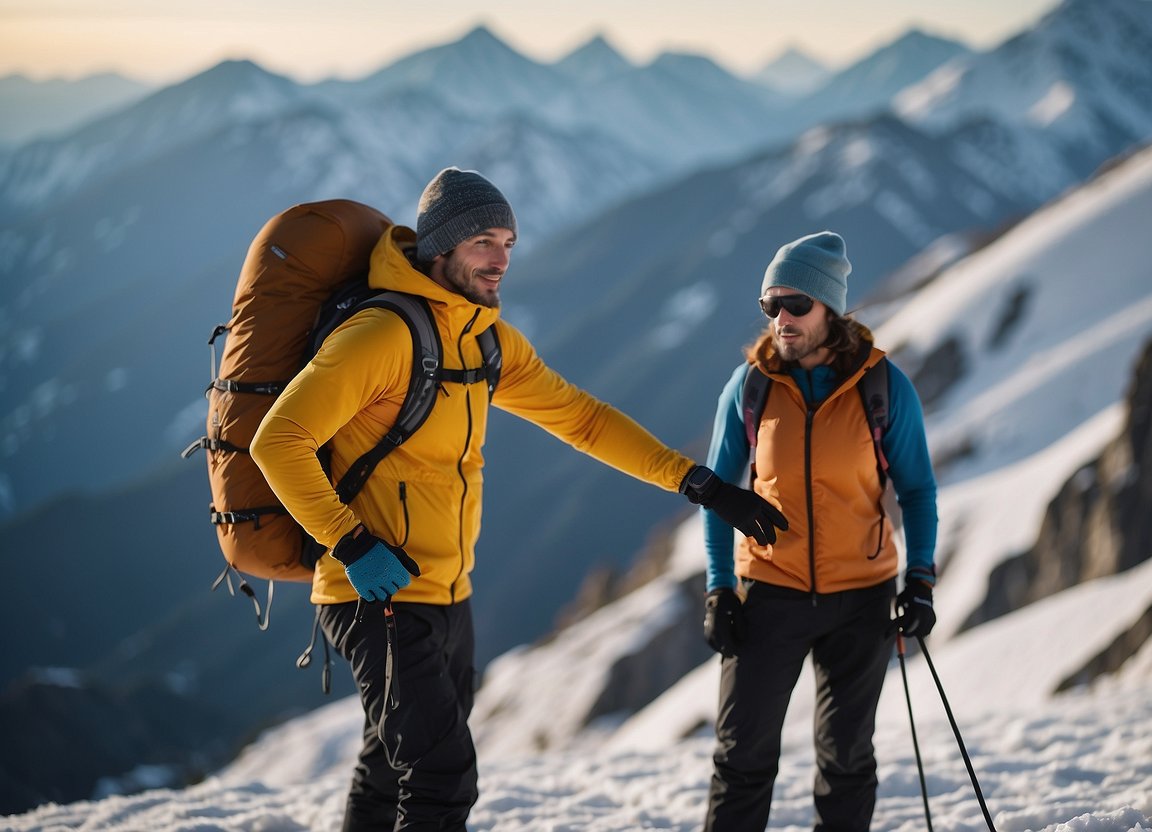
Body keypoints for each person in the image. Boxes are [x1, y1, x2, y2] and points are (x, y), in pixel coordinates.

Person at [250, 167, 787, 832]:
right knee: (441, 776)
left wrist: (699, 485)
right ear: (440, 248)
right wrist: (351, 543)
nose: (502, 259)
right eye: (484, 241)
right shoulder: (382, 335)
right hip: (374, 594)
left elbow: (582, 420)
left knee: (391, 765)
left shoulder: (484, 340)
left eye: (509, 241)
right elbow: (278, 443)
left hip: (447, 593)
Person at [698, 231, 939, 832]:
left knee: (847, 761)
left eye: (796, 304)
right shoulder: (749, 388)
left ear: (831, 308)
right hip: (769, 595)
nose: (781, 318)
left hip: (863, 599)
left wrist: (921, 579)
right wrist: (720, 587)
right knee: (742, 759)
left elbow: (918, 491)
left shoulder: (884, 389)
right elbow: (715, 491)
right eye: (769, 305)